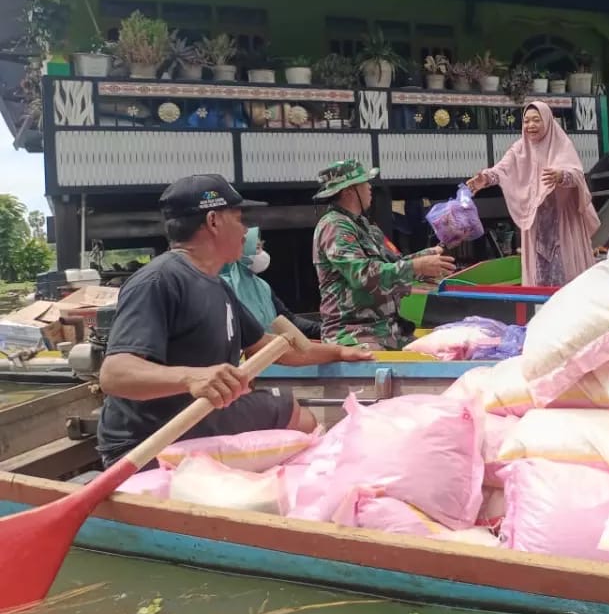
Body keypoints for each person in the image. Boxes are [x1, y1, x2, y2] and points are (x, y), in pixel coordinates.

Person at [96, 174, 372, 469]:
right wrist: (192, 378)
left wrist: (338, 351)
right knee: (290, 411)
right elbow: (115, 374)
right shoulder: (158, 281)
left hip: (201, 416)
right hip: (153, 436)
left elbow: (266, 347)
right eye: (239, 218)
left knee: (287, 408)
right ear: (214, 221)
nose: (246, 230)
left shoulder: (218, 285)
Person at [312, 159, 456, 349]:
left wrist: (434, 252)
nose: (370, 187)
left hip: (387, 330)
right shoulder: (335, 226)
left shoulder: (365, 227)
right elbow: (362, 274)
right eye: (364, 182)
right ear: (348, 191)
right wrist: (416, 266)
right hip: (354, 334)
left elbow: (394, 264)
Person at [466, 101, 600, 286]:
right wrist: (485, 179)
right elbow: (502, 169)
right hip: (536, 222)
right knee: (538, 274)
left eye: (536, 120)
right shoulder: (519, 148)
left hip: (561, 220)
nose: (531, 126)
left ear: (547, 121)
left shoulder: (561, 144)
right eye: (526, 121)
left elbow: (577, 175)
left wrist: (561, 175)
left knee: (565, 272)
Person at [220, 226, 321, 340]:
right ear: (243, 250)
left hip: (270, 351)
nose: (262, 253)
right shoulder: (224, 286)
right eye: (257, 248)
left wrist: (322, 330)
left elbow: (287, 320)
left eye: (262, 248)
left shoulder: (263, 286)